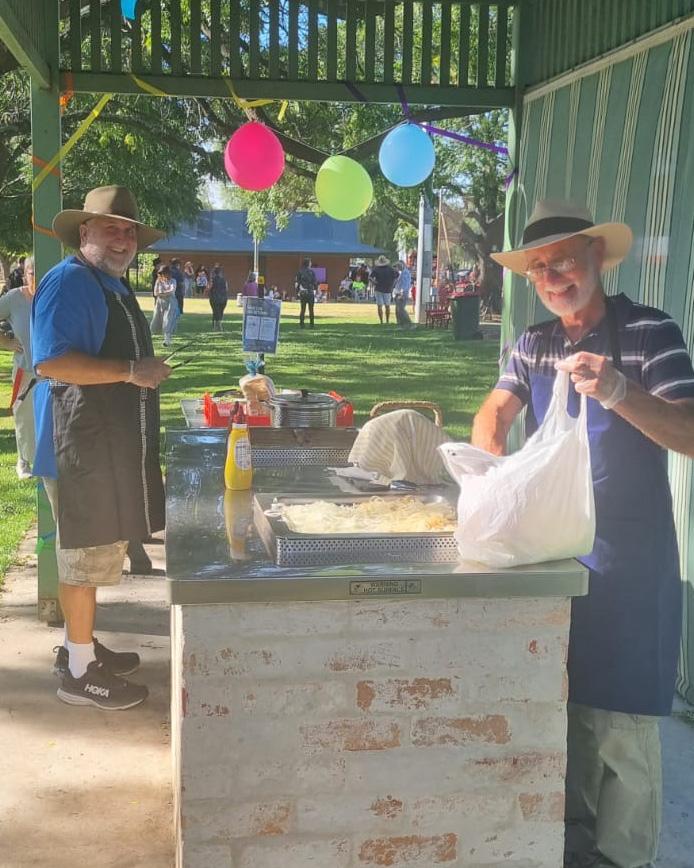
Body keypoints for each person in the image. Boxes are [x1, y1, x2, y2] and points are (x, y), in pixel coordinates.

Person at [471, 200, 694, 868]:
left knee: (622, 725)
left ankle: (624, 856)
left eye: (563, 260)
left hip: (630, 560)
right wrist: (493, 473)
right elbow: (494, 412)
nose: (552, 277)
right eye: (538, 268)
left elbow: (689, 432)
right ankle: (568, 840)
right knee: (560, 707)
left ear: (598, 255)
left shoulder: (651, 332)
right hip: (552, 552)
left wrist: (620, 390)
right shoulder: (534, 343)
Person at [31, 185, 171, 710]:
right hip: (78, 446)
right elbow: (52, 362)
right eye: (111, 228)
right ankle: (79, 675)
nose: (123, 239)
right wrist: (132, 371)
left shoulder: (108, 282)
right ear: (84, 230)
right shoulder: (70, 280)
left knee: (92, 557)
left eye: (129, 231)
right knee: (82, 560)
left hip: (102, 443)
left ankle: (80, 645)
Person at [0, 255, 36, 478]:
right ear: (25, 275)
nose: (37, 278)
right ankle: (23, 462)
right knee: (24, 417)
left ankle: (48, 460)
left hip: (54, 370)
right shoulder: (14, 298)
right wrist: (5, 342)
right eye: (33, 273)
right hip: (26, 370)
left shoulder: (53, 295)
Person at [150, 264, 178, 347]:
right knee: (156, 319)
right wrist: (164, 293)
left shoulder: (173, 281)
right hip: (160, 303)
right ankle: (149, 337)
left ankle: (167, 340)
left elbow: (172, 291)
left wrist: (162, 293)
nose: (162, 275)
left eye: (163, 273)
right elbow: (155, 293)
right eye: (161, 274)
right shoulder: (158, 281)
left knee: (168, 319)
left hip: (170, 302)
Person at [370, 255, 398, 324]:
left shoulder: (376, 269)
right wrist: (393, 284)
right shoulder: (391, 269)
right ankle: (387, 321)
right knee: (387, 306)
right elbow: (397, 276)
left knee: (379, 306)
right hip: (388, 289)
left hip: (378, 288)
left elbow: (370, 277)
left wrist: (374, 282)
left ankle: (381, 321)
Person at [295, 257, 317, 328]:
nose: (311, 263)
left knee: (303, 309)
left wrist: (297, 292)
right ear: (308, 263)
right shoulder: (312, 272)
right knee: (311, 309)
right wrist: (315, 289)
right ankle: (311, 324)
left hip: (303, 292)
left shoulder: (300, 271)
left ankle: (302, 324)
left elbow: (297, 283)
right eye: (310, 262)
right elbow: (315, 282)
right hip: (310, 292)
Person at [209, 264, 228, 331]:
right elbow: (227, 288)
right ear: (220, 272)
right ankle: (218, 326)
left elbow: (209, 288)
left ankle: (216, 326)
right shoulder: (224, 280)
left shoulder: (212, 280)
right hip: (223, 298)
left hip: (214, 298)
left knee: (215, 312)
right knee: (220, 312)